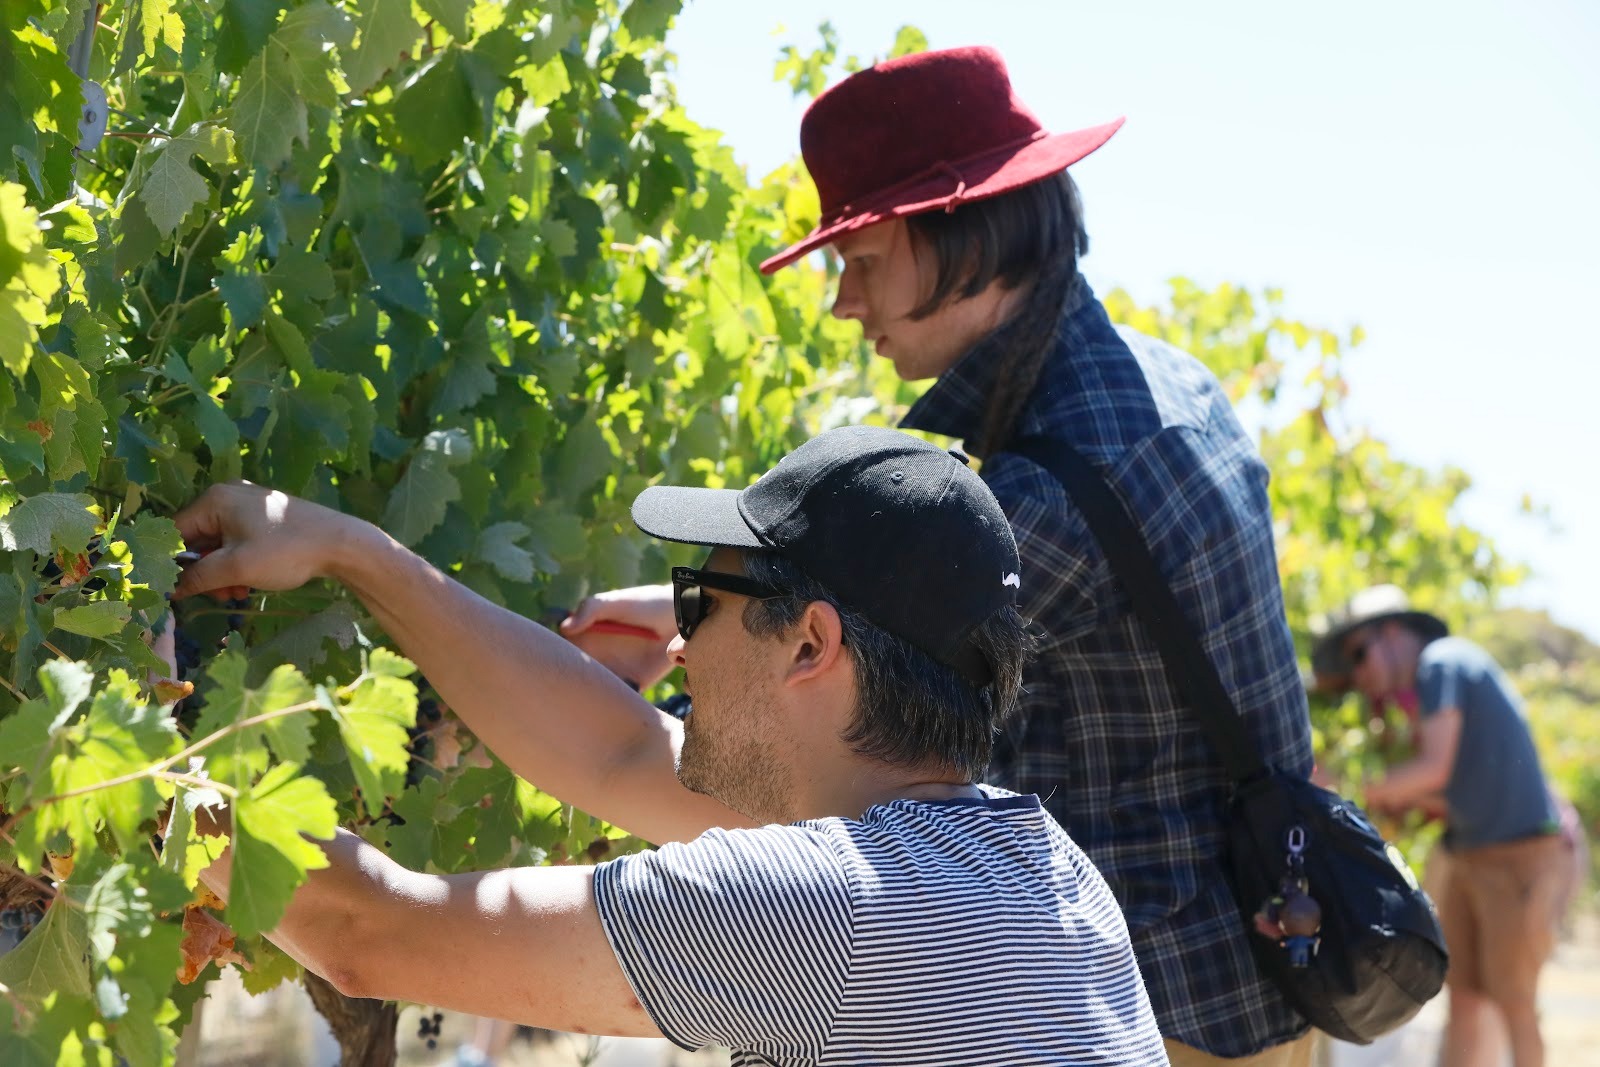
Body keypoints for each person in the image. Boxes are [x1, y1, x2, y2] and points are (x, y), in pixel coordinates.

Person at [564, 46, 1316, 1065]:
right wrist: (689, 605)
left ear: (968, 235)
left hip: (1160, 1013)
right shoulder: (1147, 386)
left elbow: (800, 705)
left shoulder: (1056, 481)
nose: (842, 302)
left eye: (863, 261)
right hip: (1226, 985)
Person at [172, 426, 1169, 1066]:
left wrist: (136, 750)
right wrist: (352, 551)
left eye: (703, 598)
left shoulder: (834, 909)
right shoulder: (1033, 874)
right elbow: (614, 753)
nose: (679, 636)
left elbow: (367, 932)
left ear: (812, 643)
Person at [1311, 585, 1569, 1067]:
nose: (1360, 674)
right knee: (1468, 996)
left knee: (1514, 1001)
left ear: (1392, 632)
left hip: (1519, 855)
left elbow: (1434, 769)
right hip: (1470, 853)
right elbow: (1444, 794)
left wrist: (1345, 783)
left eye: (1361, 655)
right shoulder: (1430, 689)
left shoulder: (1441, 663)